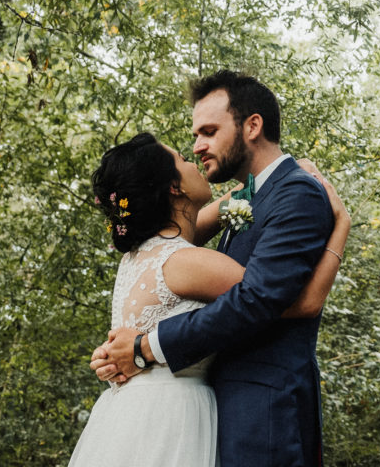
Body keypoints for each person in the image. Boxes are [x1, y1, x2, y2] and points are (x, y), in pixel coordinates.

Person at [92, 71, 339, 467]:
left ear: (253, 125)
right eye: (192, 139)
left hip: (265, 413)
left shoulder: (294, 192)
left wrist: (142, 347)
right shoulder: (234, 209)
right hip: (203, 415)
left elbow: (257, 298)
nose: (197, 147)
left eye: (208, 131)